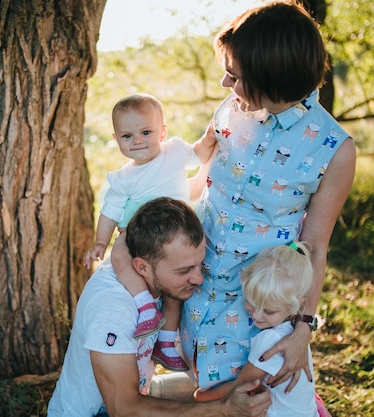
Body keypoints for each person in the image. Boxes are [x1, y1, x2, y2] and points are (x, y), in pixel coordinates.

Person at [178, 0, 356, 393]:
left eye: (234, 76)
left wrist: (303, 329)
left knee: (240, 399)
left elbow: (315, 248)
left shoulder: (334, 149)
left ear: (270, 78)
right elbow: (201, 185)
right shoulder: (231, 108)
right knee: (196, 387)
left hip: (253, 307)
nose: (226, 85)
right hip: (193, 282)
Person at [48, 197, 271, 417]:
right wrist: (222, 410)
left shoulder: (150, 268)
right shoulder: (112, 307)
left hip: (138, 393)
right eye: (184, 271)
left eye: (199, 265)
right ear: (142, 266)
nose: (198, 279)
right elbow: (123, 409)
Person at [83, 93, 217, 371]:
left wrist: (209, 138)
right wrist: (100, 242)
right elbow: (109, 212)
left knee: (173, 287)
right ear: (116, 138)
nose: (138, 141)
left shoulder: (175, 152)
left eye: (146, 132)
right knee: (120, 255)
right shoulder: (123, 178)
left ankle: (166, 342)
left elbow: (200, 154)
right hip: (136, 235)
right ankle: (143, 304)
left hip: (174, 232)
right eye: (127, 136)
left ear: (163, 132)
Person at [194, 242, 331, 417]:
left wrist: (202, 397)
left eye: (269, 310)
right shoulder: (292, 331)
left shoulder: (270, 341)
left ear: (295, 305)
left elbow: (242, 385)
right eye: (252, 302)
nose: (257, 316)